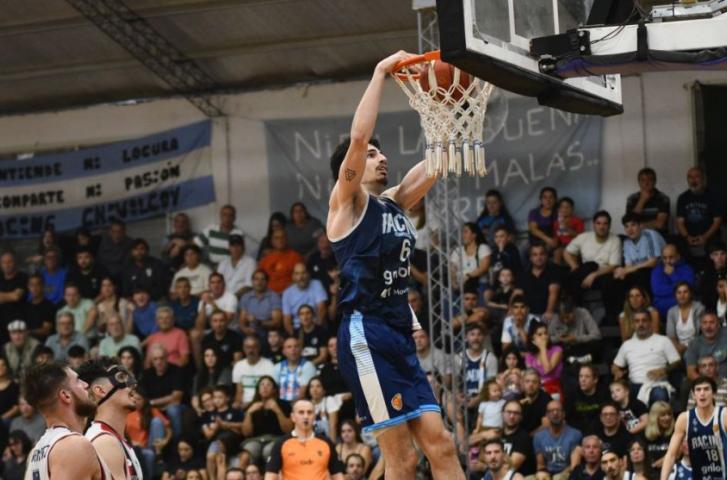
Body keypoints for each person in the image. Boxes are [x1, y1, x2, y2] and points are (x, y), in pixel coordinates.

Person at [326, 50, 463, 480]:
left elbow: (438, 161)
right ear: (350, 168)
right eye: (372, 156)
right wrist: (381, 71)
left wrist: (448, 107)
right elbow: (358, 138)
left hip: (398, 335)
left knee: (441, 445)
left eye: (381, 154)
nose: (380, 158)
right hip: (366, 334)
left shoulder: (394, 202)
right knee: (402, 460)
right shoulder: (345, 205)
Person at [22, 362, 110, 479]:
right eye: (78, 381)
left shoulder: (35, 452)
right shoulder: (74, 446)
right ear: (66, 396)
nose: (86, 384)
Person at [78, 357, 144, 480]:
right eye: (121, 377)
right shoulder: (105, 441)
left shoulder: (111, 438)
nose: (132, 385)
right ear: (100, 390)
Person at [659, 376, 727, 480]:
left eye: (706, 389)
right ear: (693, 395)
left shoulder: (724, 415)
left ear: (714, 394)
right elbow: (671, 454)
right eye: (698, 390)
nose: (702, 393)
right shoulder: (685, 419)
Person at [612, 309, 681, 405]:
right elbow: (615, 366)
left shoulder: (663, 340)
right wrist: (617, 371)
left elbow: (676, 362)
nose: (641, 324)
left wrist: (664, 370)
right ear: (633, 325)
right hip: (634, 385)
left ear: (650, 323)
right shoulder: (627, 345)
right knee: (619, 394)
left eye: (644, 320)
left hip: (656, 384)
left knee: (659, 394)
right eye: (637, 321)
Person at [564, 211, 622, 323]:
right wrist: (575, 267)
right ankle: (577, 312)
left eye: (605, 223)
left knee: (606, 279)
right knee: (588, 267)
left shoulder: (615, 240)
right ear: (594, 225)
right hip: (584, 273)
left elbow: (613, 265)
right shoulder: (584, 237)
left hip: (603, 274)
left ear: (609, 226)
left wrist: (593, 275)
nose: (602, 227)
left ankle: (609, 317)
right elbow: (567, 252)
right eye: (598, 223)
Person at [265, 399, 344, 479]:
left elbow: (337, 475)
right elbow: (270, 476)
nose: (306, 416)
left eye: (309, 412)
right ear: (293, 417)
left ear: (314, 417)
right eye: (301, 412)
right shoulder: (281, 444)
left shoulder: (326, 443)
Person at [239, 376, 293, 469]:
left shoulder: (284, 405)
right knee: (245, 456)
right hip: (255, 440)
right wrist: (249, 413)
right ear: (258, 389)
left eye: (268, 385)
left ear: (274, 389)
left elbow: (288, 430)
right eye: (262, 385)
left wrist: (277, 410)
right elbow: (246, 433)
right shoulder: (251, 406)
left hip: (276, 439)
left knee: (268, 451)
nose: (265, 387)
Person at [676, 166, 722, 261]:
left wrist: (705, 237)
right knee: (676, 247)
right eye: (690, 177)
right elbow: (679, 222)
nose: (693, 180)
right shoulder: (683, 198)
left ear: (703, 179)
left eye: (697, 176)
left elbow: (717, 221)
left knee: (715, 247)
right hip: (689, 235)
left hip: (710, 235)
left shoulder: (714, 196)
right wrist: (687, 237)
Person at [139, 344, 185, 438]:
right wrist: (160, 403)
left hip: (177, 407)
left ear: (167, 358)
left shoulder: (177, 370)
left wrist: (152, 402)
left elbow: (176, 397)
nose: (159, 362)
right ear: (151, 361)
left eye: (161, 358)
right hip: (154, 408)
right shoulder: (146, 374)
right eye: (155, 359)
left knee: (172, 410)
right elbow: (142, 398)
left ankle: (177, 441)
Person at [615, 212, 665, 293]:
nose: (630, 229)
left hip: (660, 267)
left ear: (640, 225)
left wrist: (629, 269)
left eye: (633, 225)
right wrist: (621, 272)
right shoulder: (626, 242)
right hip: (639, 271)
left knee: (641, 274)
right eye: (626, 226)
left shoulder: (650, 235)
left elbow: (653, 262)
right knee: (618, 279)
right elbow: (628, 266)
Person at [533, 400, 583, 480]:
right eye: (551, 411)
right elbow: (541, 465)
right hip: (547, 474)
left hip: (568, 474)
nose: (555, 413)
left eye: (558, 410)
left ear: (564, 414)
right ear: (547, 415)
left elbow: (574, 467)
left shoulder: (575, 434)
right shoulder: (538, 437)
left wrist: (558, 476)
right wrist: (543, 475)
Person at [548, 295, 601, 361]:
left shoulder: (583, 312)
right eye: (562, 318)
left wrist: (576, 338)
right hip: (565, 348)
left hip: (581, 345)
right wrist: (558, 338)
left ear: (574, 310)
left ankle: (576, 360)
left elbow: (597, 335)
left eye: (567, 317)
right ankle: (574, 360)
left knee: (596, 344)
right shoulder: (555, 317)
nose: (565, 321)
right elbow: (548, 338)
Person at [516, 243, 561, 320]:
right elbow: (517, 294)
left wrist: (549, 312)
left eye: (541, 254)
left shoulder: (554, 271)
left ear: (546, 256)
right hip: (527, 314)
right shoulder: (523, 273)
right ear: (530, 258)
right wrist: (511, 311)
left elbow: (553, 292)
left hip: (547, 314)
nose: (538, 257)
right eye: (535, 255)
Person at [651, 244, 695, 320]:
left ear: (678, 256)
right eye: (664, 258)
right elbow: (657, 290)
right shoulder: (657, 270)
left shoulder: (687, 269)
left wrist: (673, 275)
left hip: (682, 311)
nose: (668, 261)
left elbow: (687, 289)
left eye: (671, 257)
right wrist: (677, 289)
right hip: (660, 312)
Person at [282, 263, 328, 335]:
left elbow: (321, 309)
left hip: (315, 327)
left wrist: (316, 331)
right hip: (297, 330)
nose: (301, 277)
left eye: (303, 273)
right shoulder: (287, 293)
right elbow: (287, 320)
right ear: (293, 276)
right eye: (297, 274)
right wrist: (293, 336)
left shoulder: (316, 284)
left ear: (308, 274)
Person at [565, 364, 609, 436]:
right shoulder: (572, 394)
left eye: (587, 376)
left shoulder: (604, 394)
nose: (583, 380)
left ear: (595, 380)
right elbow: (568, 419)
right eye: (581, 376)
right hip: (578, 434)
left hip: (600, 433)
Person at [238, 269, 283, 339]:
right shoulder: (246, 297)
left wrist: (258, 322)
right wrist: (245, 329)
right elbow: (242, 321)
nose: (259, 282)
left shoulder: (274, 297)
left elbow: (277, 323)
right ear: (252, 281)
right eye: (256, 279)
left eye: (262, 279)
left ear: (267, 282)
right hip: (249, 331)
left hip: (267, 332)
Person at [232, 336, 276, 408]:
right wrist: (238, 403)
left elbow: (271, 391)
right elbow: (239, 391)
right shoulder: (238, 366)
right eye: (248, 347)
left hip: (263, 403)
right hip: (244, 404)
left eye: (254, 347)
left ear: (259, 348)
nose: (251, 350)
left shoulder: (268, 364)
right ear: (243, 349)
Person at [625, 167, 670, 236]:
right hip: (638, 236)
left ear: (655, 181)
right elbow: (629, 222)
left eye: (650, 180)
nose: (646, 183)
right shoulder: (631, 199)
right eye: (643, 180)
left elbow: (660, 224)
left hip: (658, 235)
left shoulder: (663, 198)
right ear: (639, 182)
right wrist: (642, 200)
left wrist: (637, 226)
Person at [684, 310, 727, 381]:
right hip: (704, 382)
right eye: (704, 323)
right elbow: (690, 372)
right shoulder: (694, 344)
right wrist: (707, 383)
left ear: (718, 325)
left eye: (712, 322)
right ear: (700, 326)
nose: (708, 326)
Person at [525, 321, 564, 399]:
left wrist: (542, 348)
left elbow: (547, 370)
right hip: (535, 387)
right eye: (539, 334)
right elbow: (530, 374)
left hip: (553, 388)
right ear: (533, 338)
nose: (544, 336)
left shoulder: (557, 350)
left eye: (545, 333)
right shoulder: (529, 355)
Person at [449, 222, 491, 292]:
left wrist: (468, 276)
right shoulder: (458, 250)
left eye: (465, 232)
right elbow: (452, 269)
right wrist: (453, 282)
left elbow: (483, 268)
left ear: (474, 235)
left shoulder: (483, 248)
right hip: (459, 284)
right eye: (462, 232)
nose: (463, 235)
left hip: (477, 283)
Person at [258, 229, 304, 294]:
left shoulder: (295, 257)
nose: (280, 240)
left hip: (289, 294)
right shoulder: (265, 258)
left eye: (283, 237)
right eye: (276, 238)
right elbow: (259, 279)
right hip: (267, 295)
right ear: (271, 241)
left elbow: (299, 279)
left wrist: (284, 293)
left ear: (287, 239)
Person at [665, 282, 704, 356]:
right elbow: (671, 336)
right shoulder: (671, 311)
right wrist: (677, 348)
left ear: (690, 294)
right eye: (679, 292)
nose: (682, 295)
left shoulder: (699, 308)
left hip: (697, 346)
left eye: (685, 292)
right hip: (678, 348)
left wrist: (685, 347)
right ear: (675, 295)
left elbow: (701, 334)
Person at [274, 336, 317, 401]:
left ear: (301, 350)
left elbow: (303, 393)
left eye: (296, 346)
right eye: (289, 347)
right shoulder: (277, 367)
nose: (293, 349)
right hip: (281, 404)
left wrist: (291, 405)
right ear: (283, 351)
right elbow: (272, 389)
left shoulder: (308, 366)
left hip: (301, 403)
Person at [0, 251, 28, 343]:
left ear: (15, 263)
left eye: (10, 262)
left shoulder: (23, 277)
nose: (7, 265)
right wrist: (10, 295)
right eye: (4, 262)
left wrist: (3, 296)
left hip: (17, 322)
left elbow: (16, 297)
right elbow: (12, 296)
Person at [643, 401, 674, 479]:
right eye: (663, 415)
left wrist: (666, 460)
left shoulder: (675, 433)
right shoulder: (644, 435)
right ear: (654, 417)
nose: (667, 418)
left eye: (669, 414)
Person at [23, 274, 56, 341]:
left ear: (43, 286)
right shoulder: (25, 306)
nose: (34, 288)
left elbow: (46, 330)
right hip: (26, 342)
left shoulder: (49, 306)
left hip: (43, 343)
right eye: (32, 285)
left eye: (37, 285)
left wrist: (29, 332)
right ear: (28, 287)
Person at [552, 197, 585, 264]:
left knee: (570, 253)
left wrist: (566, 228)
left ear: (572, 209)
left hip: (574, 245)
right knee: (557, 252)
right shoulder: (556, 223)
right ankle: (557, 269)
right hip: (562, 245)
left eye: (567, 207)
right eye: (562, 207)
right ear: (559, 209)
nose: (564, 209)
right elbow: (556, 236)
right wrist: (554, 241)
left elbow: (581, 236)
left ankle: (574, 268)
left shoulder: (578, 221)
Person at [696, 240, 727, 309]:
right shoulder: (707, 274)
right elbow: (705, 296)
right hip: (712, 308)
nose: (719, 258)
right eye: (716, 254)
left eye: (722, 254)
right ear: (711, 256)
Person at [521, 369, 553, 434]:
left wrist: (528, 436)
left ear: (539, 384)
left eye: (534, 382)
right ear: (522, 383)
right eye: (527, 381)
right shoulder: (518, 397)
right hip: (521, 434)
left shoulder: (546, 398)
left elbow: (546, 425)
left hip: (539, 435)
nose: (530, 384)